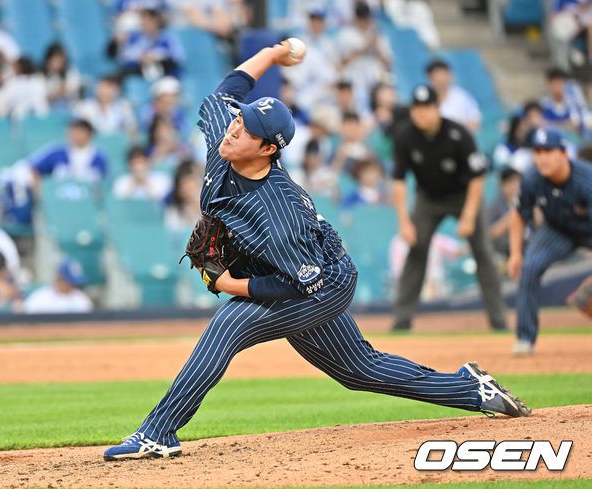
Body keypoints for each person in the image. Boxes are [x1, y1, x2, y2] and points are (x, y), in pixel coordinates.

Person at [103, 40, 530, 462]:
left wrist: (229, 283)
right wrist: (272, 55)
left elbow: (297, 284)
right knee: (359, 370)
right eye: (239, 120)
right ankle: (471, 388)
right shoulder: (226, 142)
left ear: (268, 149)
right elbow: (225, 93)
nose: (234, 129)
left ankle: (158, 433)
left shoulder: (278, 211)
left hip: (320, 283)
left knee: (227, 327)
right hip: (291, 270)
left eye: (247, 129)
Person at [390, 84, 507, 332]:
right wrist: (404, 222)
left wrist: (468, 216)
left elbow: (477, 177)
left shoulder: (458, 133)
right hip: (428, 198)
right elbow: (398, 182)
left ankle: (498, 320)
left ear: (437, 108)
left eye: (426, 107)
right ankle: (402, 320)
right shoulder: (405, 136)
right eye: (416, 108)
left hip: (463, 196)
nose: (421, 113)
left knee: (483, 252)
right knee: (416, 249)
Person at [507, 128, 592, 355]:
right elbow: (518, 215)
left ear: (564, 153)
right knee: (530, 267)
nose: (542, 157)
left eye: (548, 151)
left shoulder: (587, 180)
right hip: (558, 230)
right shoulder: (532, 179)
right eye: (537, 152)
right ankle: (525, 339)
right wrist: (515, 253)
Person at [28, 119, 108, 183]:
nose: (75, 134)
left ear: (89, 134)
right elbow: (34, 169)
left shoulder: (99, 158)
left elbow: (105, 183)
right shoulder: (57, 153)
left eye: (80, 131)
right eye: (73, 131)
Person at [425, 59, 481, 133]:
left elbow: (475, 121)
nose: (440, 81)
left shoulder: (461, 96)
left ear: (449, 75)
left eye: (442, 75)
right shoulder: (425, 102)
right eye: (435, 78)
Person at [73, 75, 137, 138]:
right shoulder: (84, 106)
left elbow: (132, 128)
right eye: (102, 87)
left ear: (117, 91)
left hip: (116, 141)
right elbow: (80, 130)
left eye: (109, 88)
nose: (105, 91)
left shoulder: (124, 107)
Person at [23, 258, 93, 314]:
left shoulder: (82, 300)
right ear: (59, 279)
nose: (72, 286)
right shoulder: (39, 300)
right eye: (70, 282)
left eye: (74, 283)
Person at [487, 168, 523, 258]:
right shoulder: (494, 206)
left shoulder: (528, 201)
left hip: (526, 246)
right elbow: (489, 234)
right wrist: (512, 216)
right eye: (510, 182)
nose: (515, 185)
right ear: (502, 185)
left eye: (517, 181)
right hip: (502, 251)